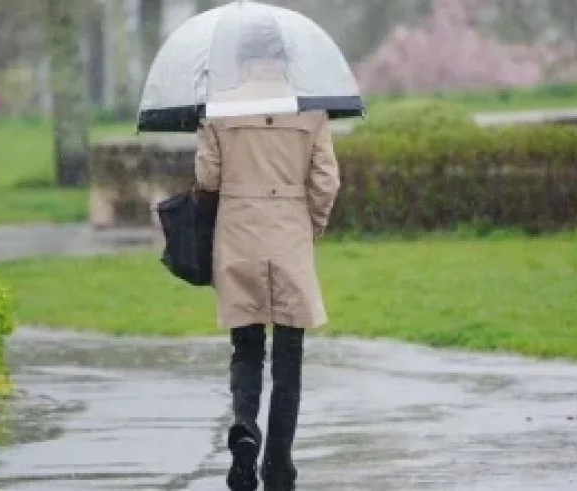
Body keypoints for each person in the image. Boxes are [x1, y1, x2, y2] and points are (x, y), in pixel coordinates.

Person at [193, 19, 341, 491]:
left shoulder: (218, 110)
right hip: (290, 235)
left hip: (238, 233)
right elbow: (326, 183)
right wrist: (309, 226)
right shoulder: (311, 111)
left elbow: (207, 179)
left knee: (247, 345)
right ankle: (279, 464)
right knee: (290, 356)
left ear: (242, 59)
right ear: (283, 59)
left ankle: (245, 429)